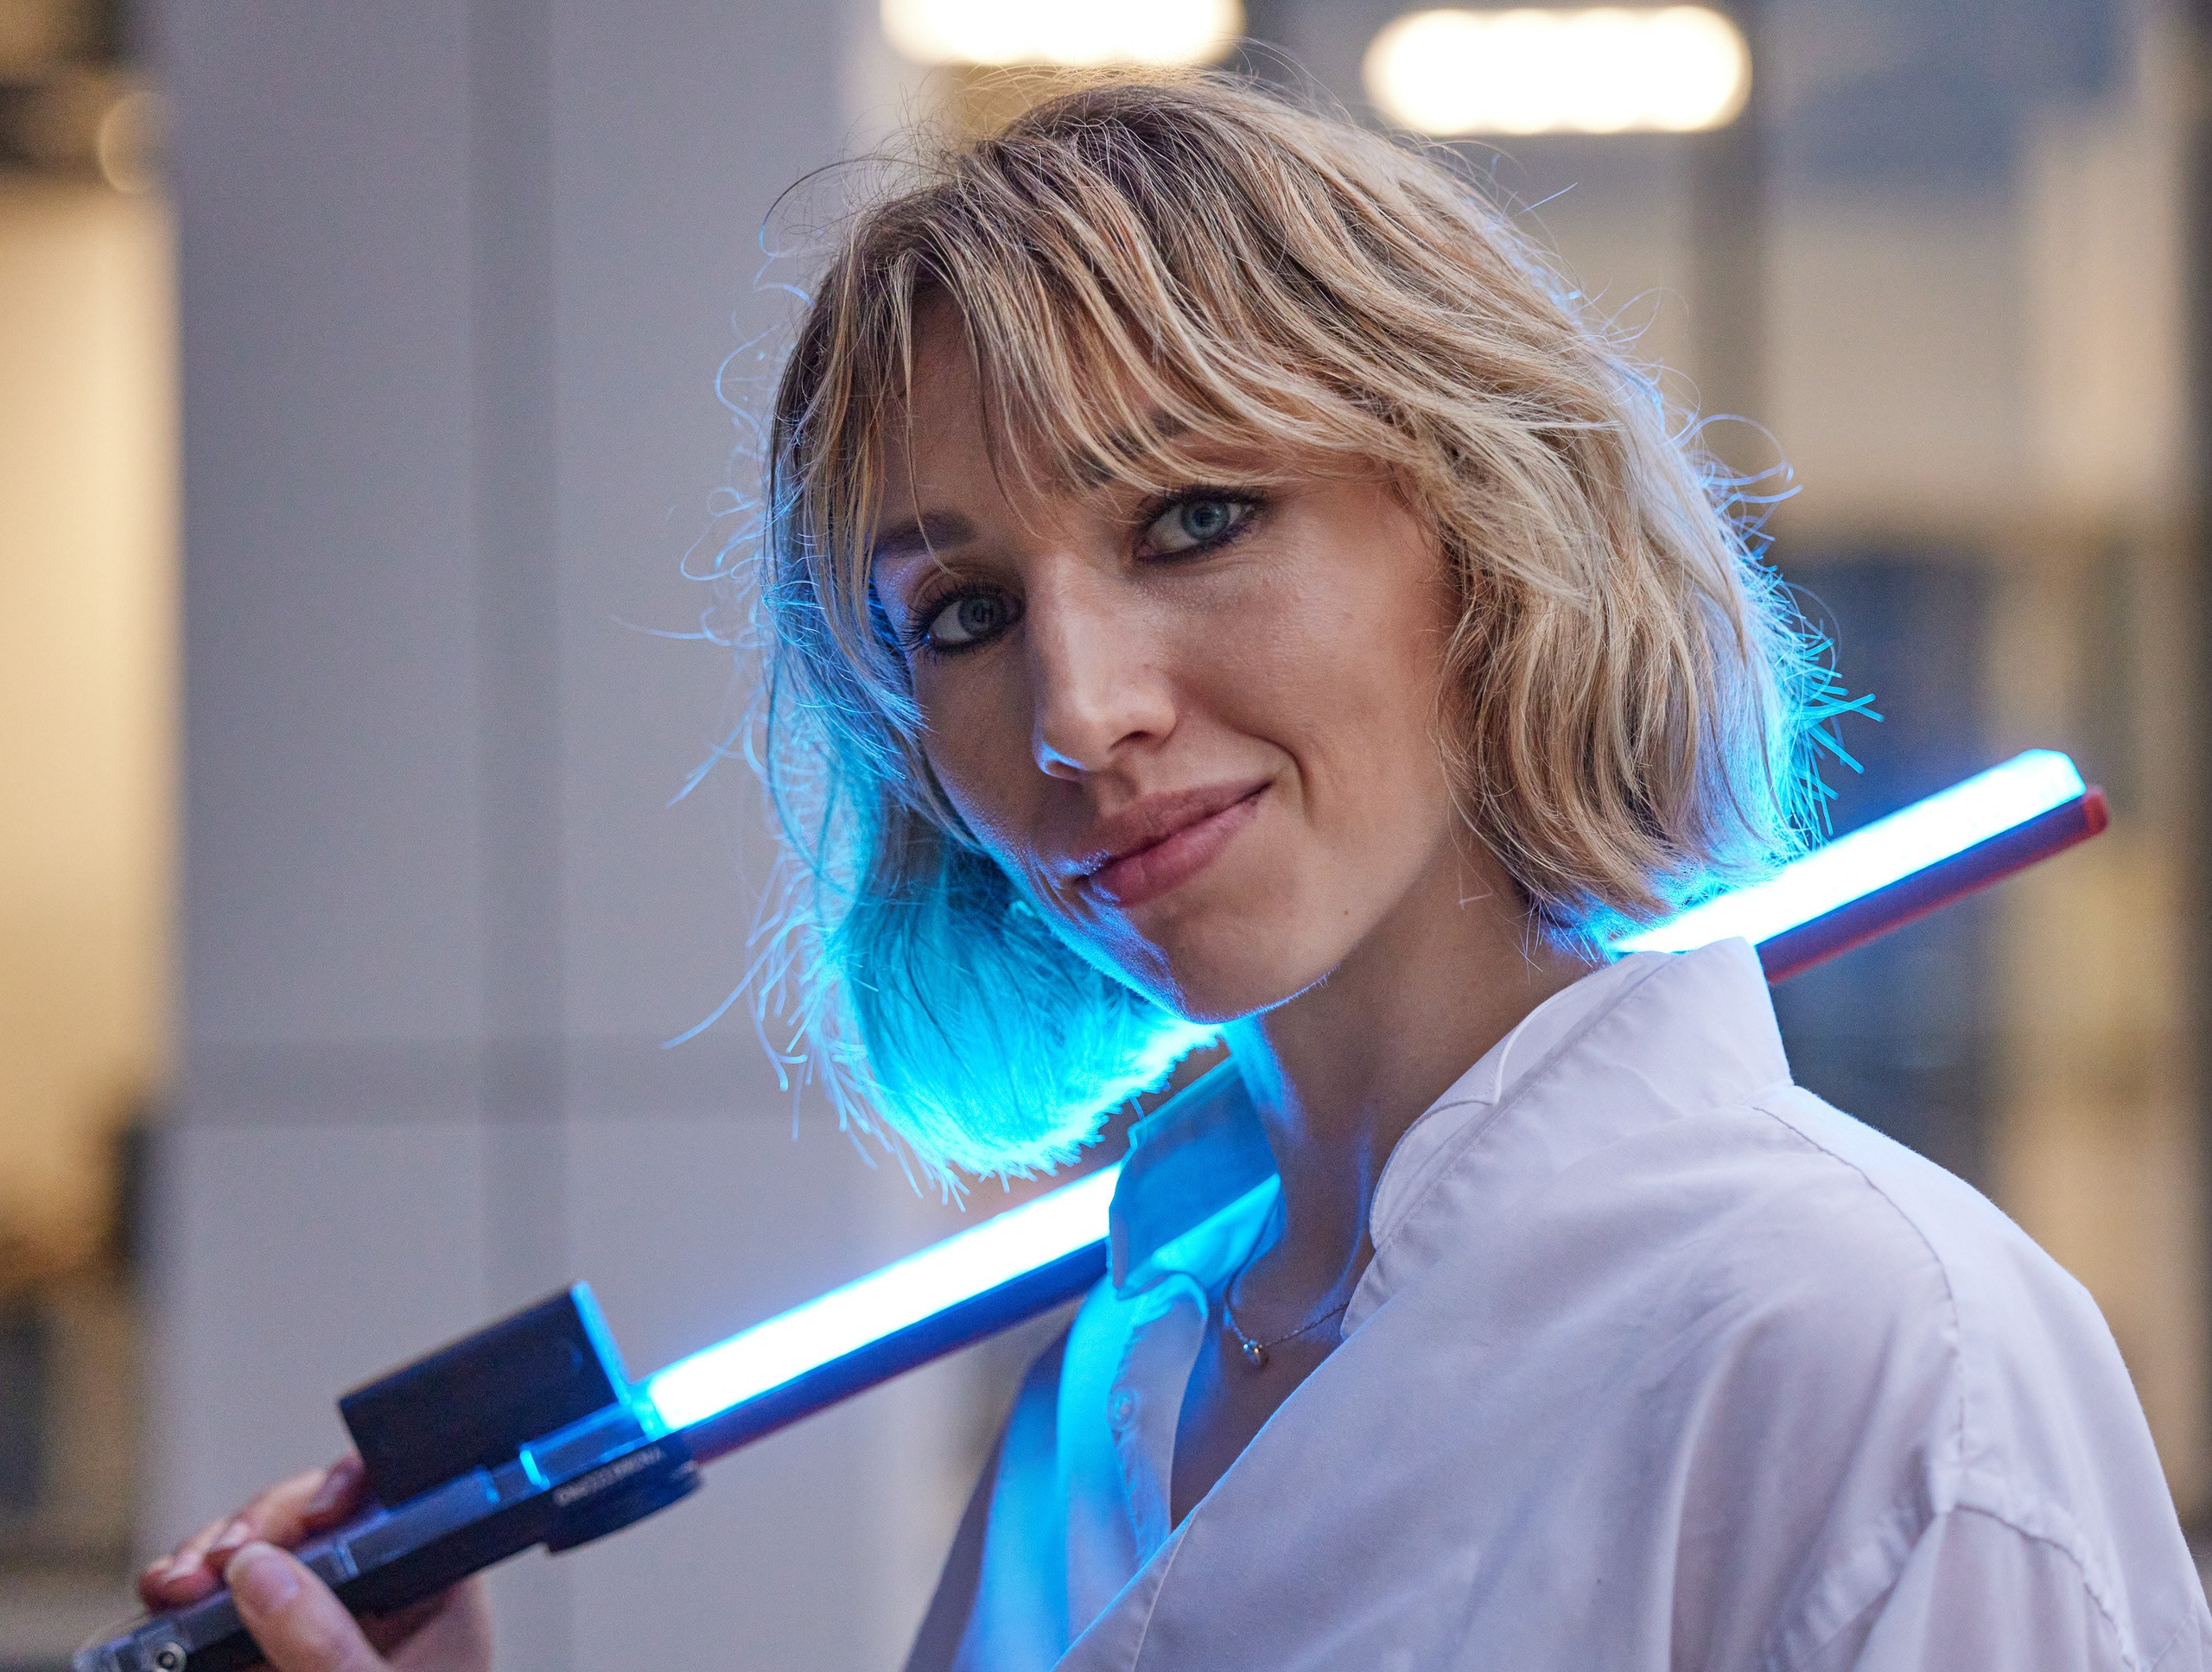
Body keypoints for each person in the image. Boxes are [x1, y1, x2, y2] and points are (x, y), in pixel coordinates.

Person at [144, 75, 2211, 1671]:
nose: (1075, 705)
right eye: (956, 614)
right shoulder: (1110, 1389)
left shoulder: (1866, 1348)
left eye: (1195, 517)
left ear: (1486, 529)